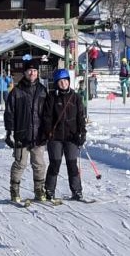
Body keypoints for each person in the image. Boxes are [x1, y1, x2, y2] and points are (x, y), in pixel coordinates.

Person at [39, 69, 88, 203]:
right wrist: (48, 132)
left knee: (72, 164)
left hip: (71, 137)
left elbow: (80, 117)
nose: (63, 83)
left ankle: (77, 191)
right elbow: (47, 117)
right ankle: (49, 190)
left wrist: (82, 133)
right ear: (56, 83)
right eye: (60, 81)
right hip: (55, 137)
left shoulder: (75, 97)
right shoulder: (52, 97)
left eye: (65, 81)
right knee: (55, 163)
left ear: (69, 81)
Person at [3, 65, 47, 203]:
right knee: (20, 164)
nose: (32, 73)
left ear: (37, 73)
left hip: (38, 135)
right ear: (25, 73)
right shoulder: (17, 91)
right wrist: (9, 131)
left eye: (34, 71)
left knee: (39, 164)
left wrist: (48, 130)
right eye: (29, 71)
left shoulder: (43, 90)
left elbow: (47, 113)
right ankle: (14, 190)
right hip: (22, 134)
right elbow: (9, 113)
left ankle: (39, 190)